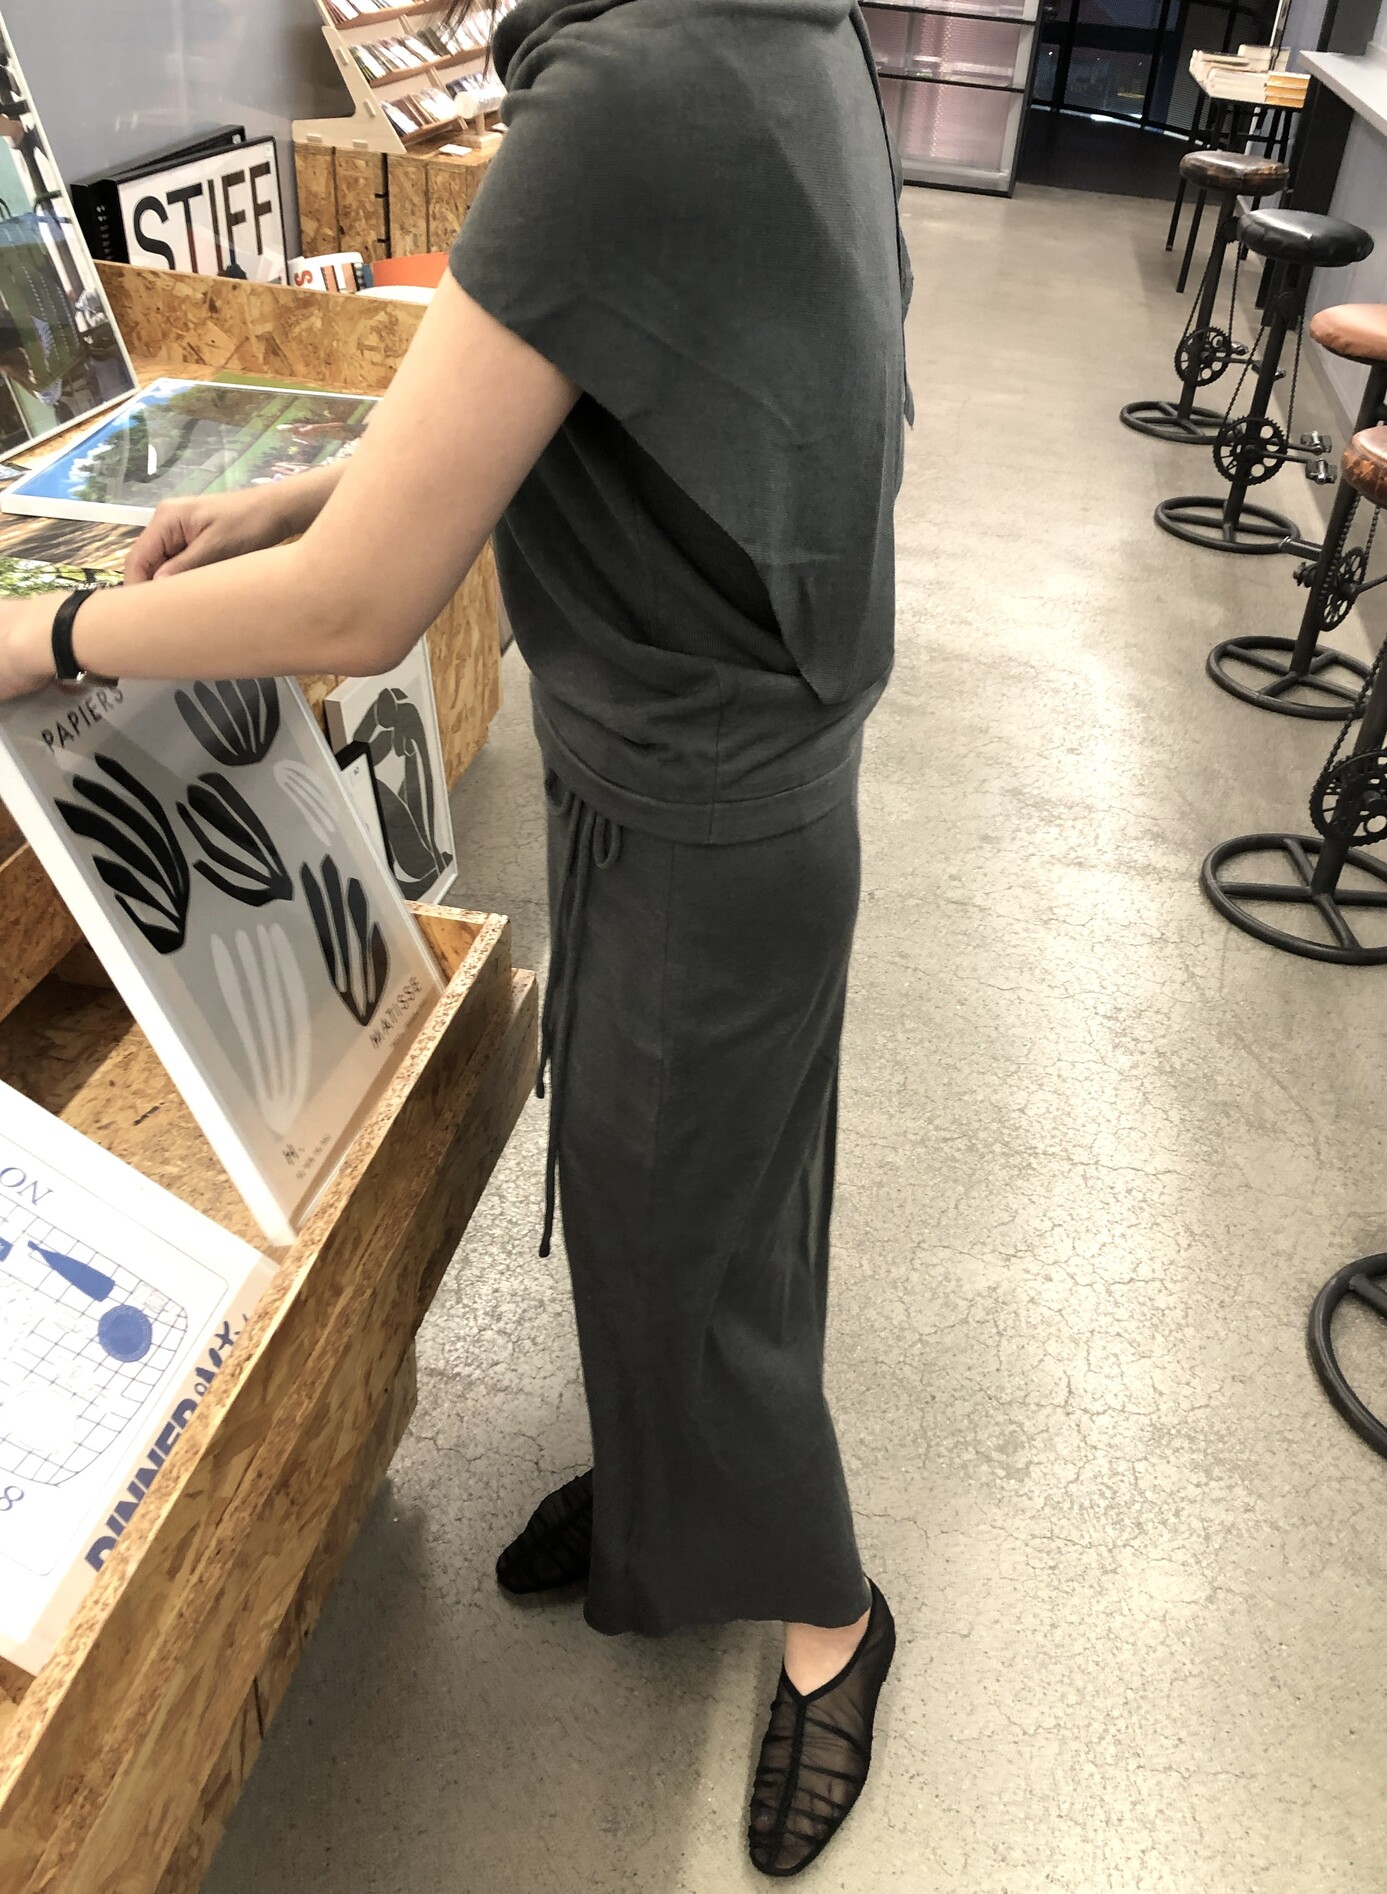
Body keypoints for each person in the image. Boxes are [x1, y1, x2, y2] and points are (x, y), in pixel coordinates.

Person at [0, 0, 911, 1873]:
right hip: (719, 770)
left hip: (707, 800)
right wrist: (289, 494)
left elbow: (360, 607)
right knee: (674, 1205)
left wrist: (52, 636)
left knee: (691, 1239)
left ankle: (829, 1609)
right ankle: (665, 1501)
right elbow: (562, 382)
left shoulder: (629, 85)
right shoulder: (754, 26)